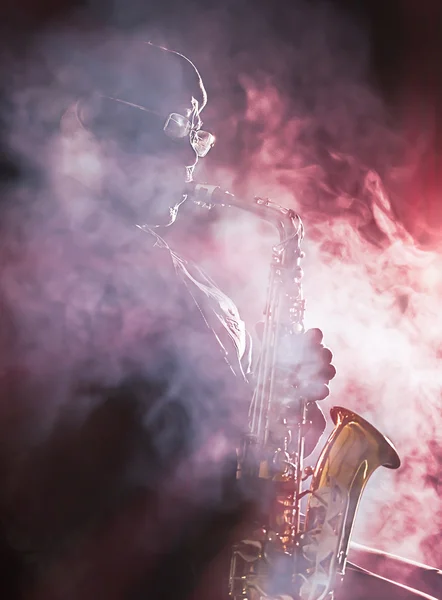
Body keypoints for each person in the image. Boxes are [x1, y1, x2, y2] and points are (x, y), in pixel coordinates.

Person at [0, 38, 438, 600]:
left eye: (196, 138)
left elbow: (244, 459)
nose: (192, 159)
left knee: (429, 582)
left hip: (223, 549)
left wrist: (284, 405)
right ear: (112, 139)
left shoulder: (196, 287)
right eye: (177, 133)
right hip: (168, 572)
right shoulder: (57, 274)